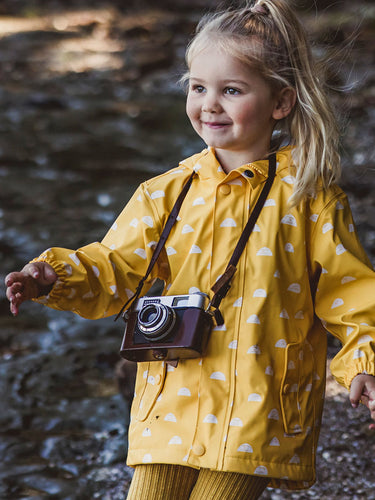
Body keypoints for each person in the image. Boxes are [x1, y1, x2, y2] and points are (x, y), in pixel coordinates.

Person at [5, 0, 375, 498]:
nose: (210, 104)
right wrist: (57, 276)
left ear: (281, 101)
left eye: (232, 90)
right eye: (199, 88)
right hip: (171, 396)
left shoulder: (308, 196)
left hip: (257, 404)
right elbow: (118, 267)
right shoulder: (165, 192)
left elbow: (350, 291)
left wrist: (363, 362)